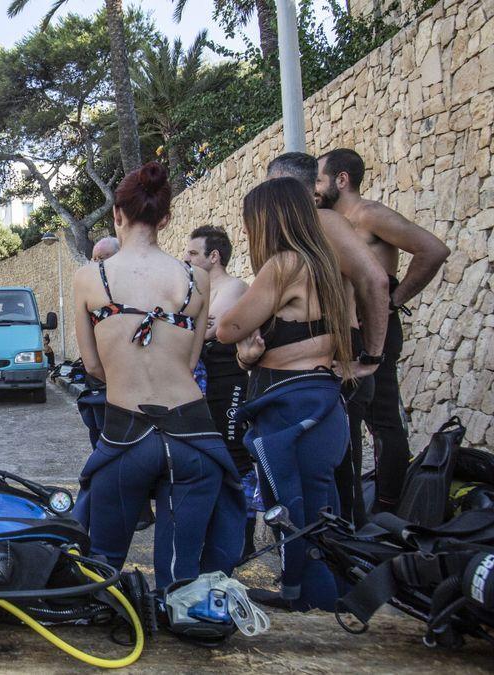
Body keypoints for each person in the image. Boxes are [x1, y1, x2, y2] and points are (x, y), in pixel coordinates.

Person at [72, 162, 243, 589]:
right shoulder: (196, 278)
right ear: (166, 219)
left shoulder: (91, 278)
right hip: (192, 432)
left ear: (117, 214)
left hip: (125, 431)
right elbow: (189, 363)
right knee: (180, 574)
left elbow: (92, 366)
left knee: (103, 562)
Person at [217, 177, 353, 612]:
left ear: (268, 220)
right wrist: (248, 360)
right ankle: (319, 589)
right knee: (318, 502)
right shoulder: (329, 264)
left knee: (290, 506)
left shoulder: (284, 266)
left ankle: (305, 595)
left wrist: (244, 352)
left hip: (288, 406)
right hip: (323, 400)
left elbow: (228, 328)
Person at [317, 148, 450, 512]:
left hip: (375, 331)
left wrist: (394, 299)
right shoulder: (335, 224)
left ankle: (389, 507)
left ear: (341, 180)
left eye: (319, 178)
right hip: (350, 331)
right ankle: (355, 506)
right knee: (353, 418)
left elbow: (433, 250)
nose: (315, 188)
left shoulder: (368, 215)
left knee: (384, 420)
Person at [267, 152, 388, 525]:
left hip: (338, 360)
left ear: (288, 185)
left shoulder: (326, 224)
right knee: (315, 475)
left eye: (272, 185)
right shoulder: (297, 230)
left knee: (339, 477)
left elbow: (376, 280)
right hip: (305, 373)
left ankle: (346, 567)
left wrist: (371, 357)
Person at [183, 226, 257, 550]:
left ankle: (245, 540)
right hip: (204, 387)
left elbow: (210, 330)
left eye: (193, 253)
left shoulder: (235, 287)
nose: (186, 258)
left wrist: (193, 323)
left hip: (230, 385)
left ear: (214, 257)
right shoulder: (198, 291)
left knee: (235, 454)